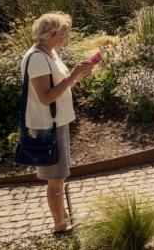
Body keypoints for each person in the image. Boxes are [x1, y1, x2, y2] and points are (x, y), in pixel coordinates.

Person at [23, 12, 94, 235]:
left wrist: (78, 74)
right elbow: (46, 98)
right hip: (47, 126)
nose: (65, 37)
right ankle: (60, 226)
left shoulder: (50, 53)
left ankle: (63, 217)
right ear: (49, 34)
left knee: (59, 175)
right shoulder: (36, 58)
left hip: (57, 122)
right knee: (55, 177)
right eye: (62, 33)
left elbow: (60, 85)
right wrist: (73, 76)